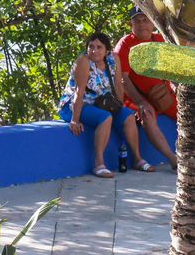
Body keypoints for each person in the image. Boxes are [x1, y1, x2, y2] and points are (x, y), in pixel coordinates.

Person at [59, 32, 153, 177]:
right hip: (76, 105)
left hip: (102, 103)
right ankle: (99, 164)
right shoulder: (83, 62)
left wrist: (119, 108)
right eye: (91, 47)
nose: (94, 51)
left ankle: (137, 159)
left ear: (107, 50)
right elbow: (79, 92)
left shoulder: (113, 59)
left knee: (128, 116)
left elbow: (118, 85)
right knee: (105, 118)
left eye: (99, 47)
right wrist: (75, 120)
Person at [114, 9, 179, 167]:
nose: (142, 24)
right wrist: (141, 102)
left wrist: (175, 85)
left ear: (152, 23)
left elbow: (171, 69)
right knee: (147, 116)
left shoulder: (160, 40)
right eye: (137, 21)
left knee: (189, 115)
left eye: (145, 20)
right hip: (136, 97)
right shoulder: (125, 44)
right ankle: (173, 159)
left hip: (163, 94)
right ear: (131, 24)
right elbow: (123, 79)